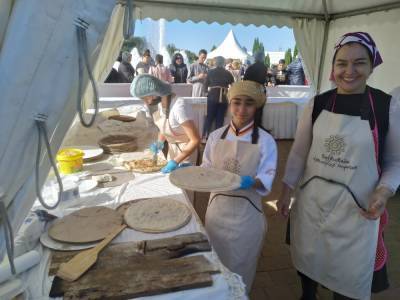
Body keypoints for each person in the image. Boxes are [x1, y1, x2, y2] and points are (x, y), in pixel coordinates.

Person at [277, 32, 400, 300]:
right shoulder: (317, 103)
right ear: (333, 67)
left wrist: (384, 191)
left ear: (371, 65)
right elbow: (298, 154)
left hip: (356, 211)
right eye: (342, 63)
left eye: (359, 63)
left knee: (347, 279)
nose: (349, 71)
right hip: (312, 203)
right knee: (308, 262)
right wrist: (286, 191)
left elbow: (395, 162)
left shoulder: (386, 106)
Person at [202, 80, 277, 293]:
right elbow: (205, 169)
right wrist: (191, 172)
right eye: (236, 102)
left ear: (258, 107)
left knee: (240, 270)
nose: (242, 110)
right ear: (229, 104)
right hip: (216, 213)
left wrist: (247, 181)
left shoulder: (266, 141)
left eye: (249, 103)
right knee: (215, 267)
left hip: (246, 219)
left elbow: (267, 179)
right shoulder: (216, 136)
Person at [130, 74, 200, 172]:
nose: (146, 103)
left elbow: (195, 140)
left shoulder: (179, 107)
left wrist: (176, 161)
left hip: (186, 153)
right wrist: (160, 142)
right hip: (172, 151)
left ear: (156, 93)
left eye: (146, 98)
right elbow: (164, 127)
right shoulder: (160, 104)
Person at [203, 56, 235, 139]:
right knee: (219, 119)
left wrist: (206, 93)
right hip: (224, 97)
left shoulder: (210, 72)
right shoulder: (228, 73)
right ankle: (218, 138)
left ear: (216, 63)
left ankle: (205, 137)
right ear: (223, 63)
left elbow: (205, 85)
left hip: (212, 96)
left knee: (209, 117)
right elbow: (234, 86)